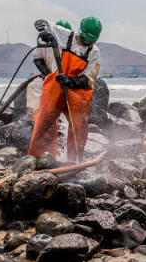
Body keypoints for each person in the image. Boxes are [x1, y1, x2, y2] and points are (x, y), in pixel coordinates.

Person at [27, 16, 102, 162]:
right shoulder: (65, 35)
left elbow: (88, 80)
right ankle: (41, 158)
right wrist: (43, 31)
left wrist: (70, 81)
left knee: (78, 126)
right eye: (85, 39)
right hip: (55, 86)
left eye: (91, 41)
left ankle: (74, 159)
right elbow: (43, 22)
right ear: (80, 31)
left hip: (77, 91)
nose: (88, 43)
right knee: (45, 121)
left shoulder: (94, 53)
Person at [27, 20, 72, 118]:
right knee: (33, 87)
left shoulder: (72, 46)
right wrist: (47, 74)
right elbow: (37, 59)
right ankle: (36, 117)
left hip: (66, 79)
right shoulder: (47, 43)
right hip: (52, 76)